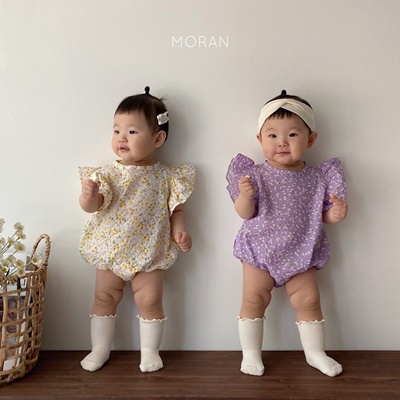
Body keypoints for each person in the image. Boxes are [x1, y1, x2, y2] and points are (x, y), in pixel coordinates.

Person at [226, 90, 348, 377]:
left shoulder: (317, 177)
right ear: (260, 139)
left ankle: (315, 353)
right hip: (259, 252)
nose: (282, 142)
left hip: (301, 252)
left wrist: (335, 214)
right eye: (272, 135)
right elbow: (245, 213)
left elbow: (321, 215)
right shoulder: (254, 175)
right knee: (253, 299)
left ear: (310, 139)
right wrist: (245, 196)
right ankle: (251, 355)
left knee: (309, 301)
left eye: (292, 135)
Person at [78, 87, 195, 373]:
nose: (121, 138)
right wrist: (88, 196)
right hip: (111, 250)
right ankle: (100, 349)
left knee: (150, 300)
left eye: (132, 131)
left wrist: (180, 231)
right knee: (104, 298)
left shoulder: (167, 176)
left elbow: (177, 210)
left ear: (158, 139)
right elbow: (93, 207)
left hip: (149, 252)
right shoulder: (108, 175)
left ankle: (150, 352)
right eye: (117, 130)